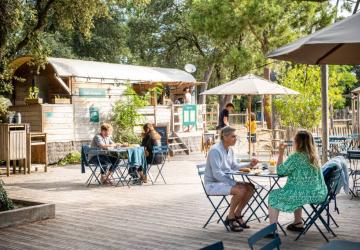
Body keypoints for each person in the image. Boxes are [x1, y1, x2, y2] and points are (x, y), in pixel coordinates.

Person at [267, 130, 327, 235]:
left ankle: (272, 231)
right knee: (296, 189)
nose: (293, 142)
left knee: (274, 195)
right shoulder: (314, 156)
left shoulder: (296, 157)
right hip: (319, 193)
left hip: (303, 194)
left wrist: (280, 153)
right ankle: (298, 223)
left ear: (298, 143)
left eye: (295, 140)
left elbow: (281, 171)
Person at [204, 126, 258, 232]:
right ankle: (230, 217)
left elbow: (234, 166)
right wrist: (233, 183)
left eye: (235, 136)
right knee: (241, 190)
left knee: (250, 187)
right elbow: (216, 174)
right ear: (224, 136)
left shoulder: (230, 150)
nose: (235, 139)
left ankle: (237, 214)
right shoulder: (215, 150)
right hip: (213, 184)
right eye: (233, 136)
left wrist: (250, 164)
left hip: (224, 182)